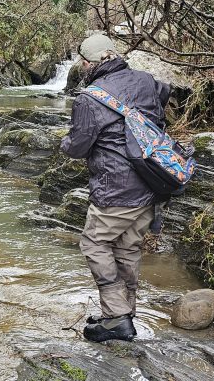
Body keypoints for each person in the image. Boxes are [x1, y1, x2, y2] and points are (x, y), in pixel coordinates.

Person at [61, 32, 170, 342]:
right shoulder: (147, 80)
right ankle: (124, 313)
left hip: (115, 190)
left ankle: (117, 317)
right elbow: (165, 93)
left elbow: (78, 146)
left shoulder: (90, 97)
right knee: (127, 247)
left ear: (87, 63)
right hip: (150, 184)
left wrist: (64, 143)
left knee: (94, 244)